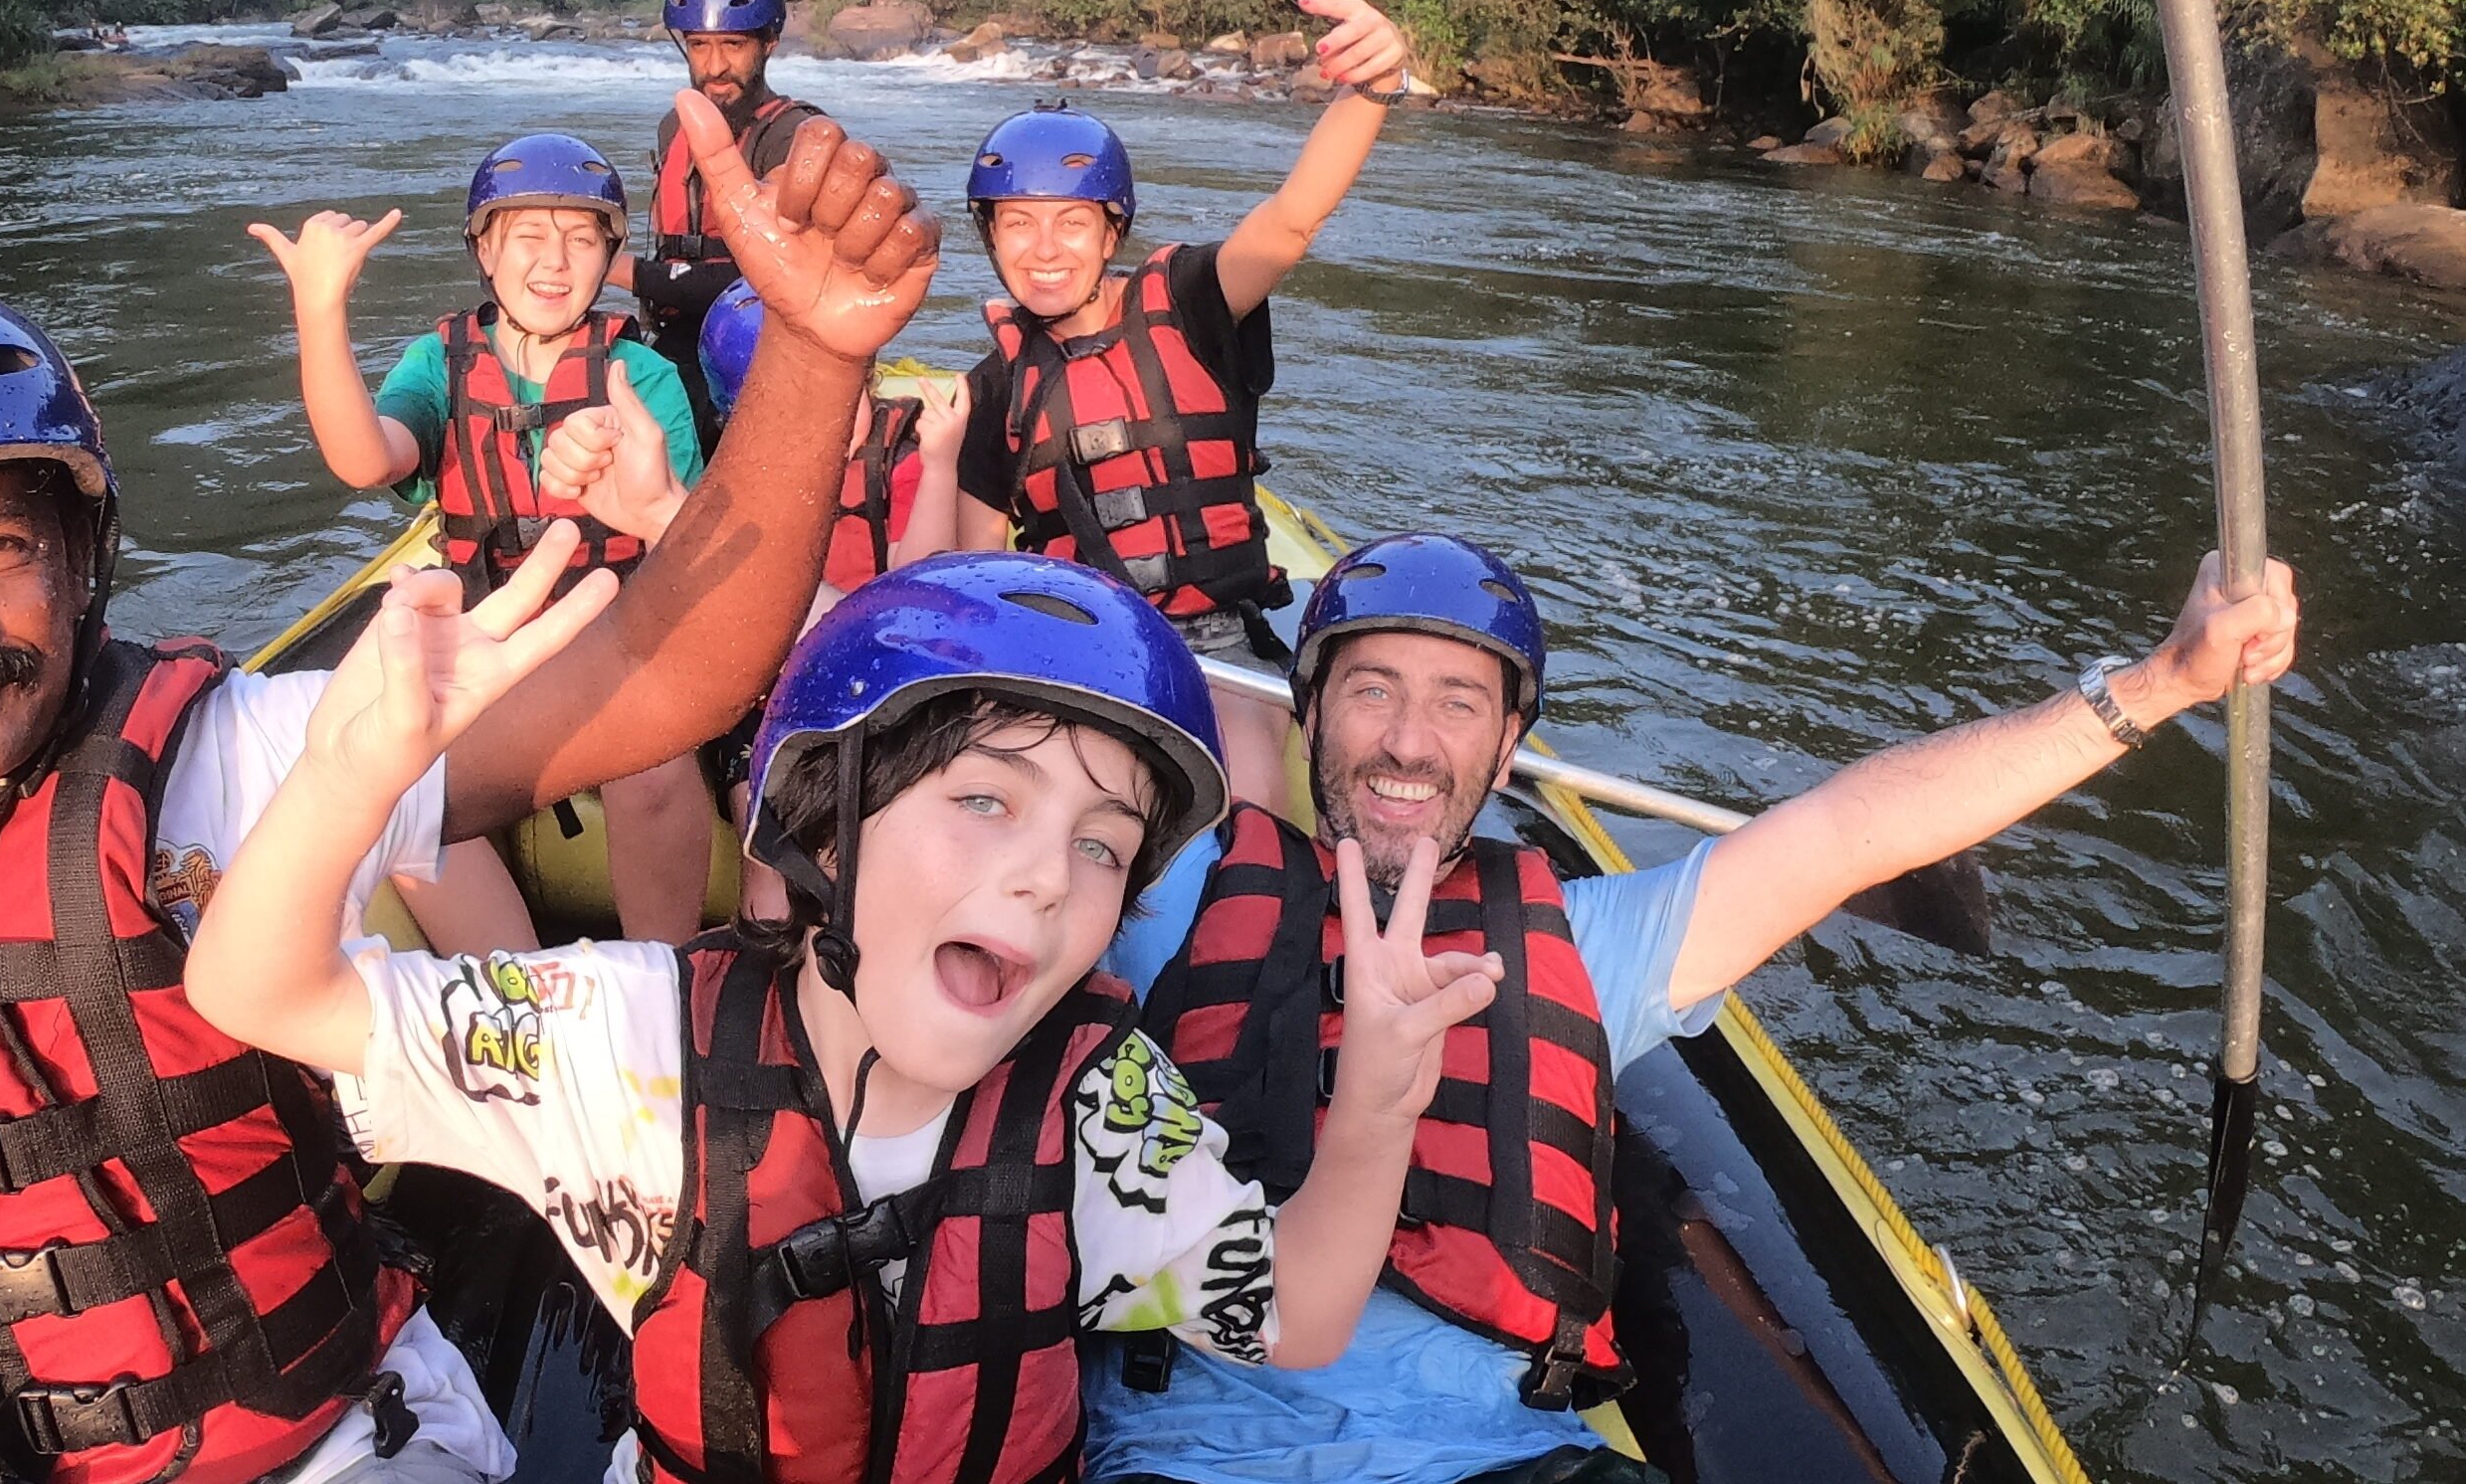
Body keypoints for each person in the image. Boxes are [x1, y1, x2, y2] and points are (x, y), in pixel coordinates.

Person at [0, 94, 942, 1484]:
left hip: (336, 1446)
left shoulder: (234, 759)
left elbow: (673, 679)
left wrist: (812, 347)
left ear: (79, 565)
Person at [181, 553, 1509, 1484]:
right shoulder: (626, 1043)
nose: (1049, 875)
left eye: (1104, 846)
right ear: (823, 823)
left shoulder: (1103, 1107)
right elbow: (258, 991)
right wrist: (355, 780)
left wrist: (1379, 1102)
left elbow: (1295, 1316)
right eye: (984, 801)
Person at [1081, 528, 2305, 1484]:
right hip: (1192, 1450)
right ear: (1310, 715)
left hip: (1510, 1460)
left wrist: (2158, 682)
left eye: (1458, 702)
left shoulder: (1587, 944)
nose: (1409, 739)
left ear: (1506, 752)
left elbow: (1848, 828)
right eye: (1372, 691)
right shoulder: (1164, 889)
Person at [953, 0, 1420, 809]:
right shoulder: (992, 388)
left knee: (1242, 791)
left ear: (1111, 233)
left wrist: (1372, 86)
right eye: (1016, 224)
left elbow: (1291, 222)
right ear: (990, 238)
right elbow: (978, 570)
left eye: (1069, 223)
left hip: (1214, 642)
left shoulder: (1193, 304)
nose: (1044, 249)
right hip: (1079, 645)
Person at [254, 128, 717, 941]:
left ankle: (665, 978)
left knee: (649, 775)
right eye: (527, 238)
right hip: (482, 624)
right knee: (390, 779)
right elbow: (367, 459)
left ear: (608, 256)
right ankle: (515, 984)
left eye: (580, 240)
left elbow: (678, 535)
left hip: (611, 623)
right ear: (486, 254)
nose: (554, 262)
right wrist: (320, 310)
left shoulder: (641, 374)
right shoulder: (439, 365)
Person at [622, 0, 828, 428]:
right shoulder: (675, 126)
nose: (713, 68)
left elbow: (767, 280)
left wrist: (617, 271)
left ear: (769, 41)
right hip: (679, 342)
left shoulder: (793, 137)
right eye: (699, 45)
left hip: (756, 356)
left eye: (733, 45)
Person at [698, 274, 970, 596]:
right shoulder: (741, 478)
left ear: (867, 378)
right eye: (798, 415)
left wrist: (940, 467)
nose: (825, 428)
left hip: (877, 630)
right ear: (744, 426)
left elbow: (922, 587)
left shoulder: (900, 463)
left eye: (839, 402)